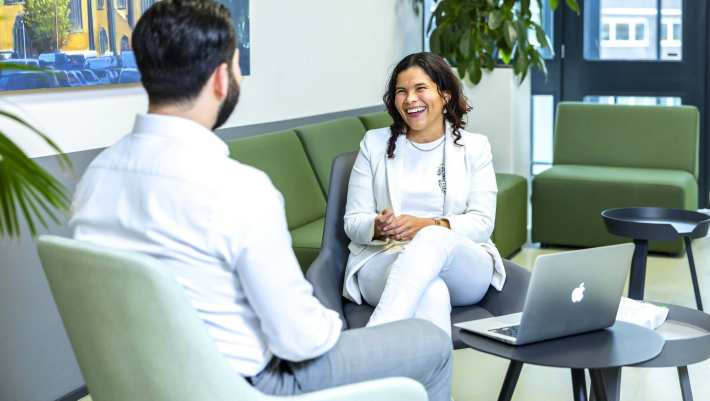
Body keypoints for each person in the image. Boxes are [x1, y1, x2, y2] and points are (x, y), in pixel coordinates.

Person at [69, 2, 452, 400]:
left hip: (143, 381)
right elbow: (301, 341)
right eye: (236, 66)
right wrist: (329, 322)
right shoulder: (239, 188)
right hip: (247, 384)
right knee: (431, 343)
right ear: (221, 78)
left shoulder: (96, 178)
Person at [343, 52, 506, 337]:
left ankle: (372, 339)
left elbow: (482, 223)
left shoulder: (475, 147)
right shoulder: (374, 144)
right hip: (385, 259)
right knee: (432, 293)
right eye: (401, 92)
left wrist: (428, 226)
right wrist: (377, 227)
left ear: (444, 95)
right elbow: (353, 222)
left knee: (431, 237)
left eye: (421, 89)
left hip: (463, 267)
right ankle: (428, 382)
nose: (410, 99)